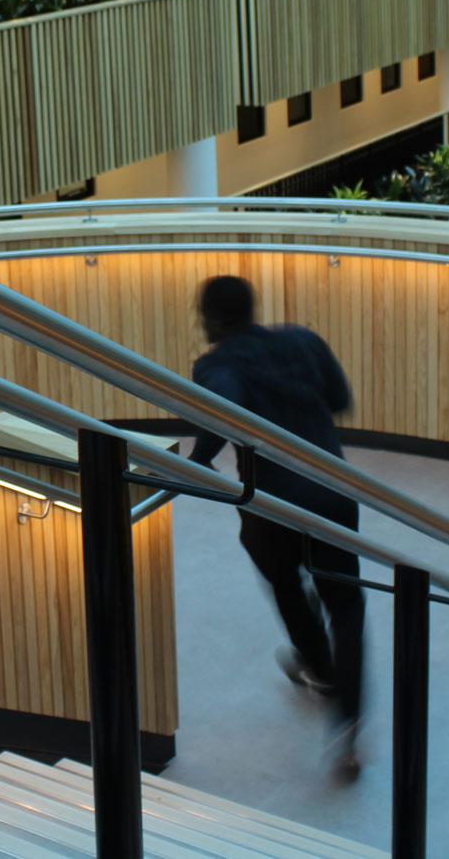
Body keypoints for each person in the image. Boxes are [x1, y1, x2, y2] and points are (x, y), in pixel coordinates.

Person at [187, 274, 366, 782]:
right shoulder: (302, 341)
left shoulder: (216, 365)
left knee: (286, 581)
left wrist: (197, 461)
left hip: (272, 502)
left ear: (210, 320)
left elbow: (220, 411)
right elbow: (338, 397)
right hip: (333, 491)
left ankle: (321, 668)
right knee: (346, 602)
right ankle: (347, 721)